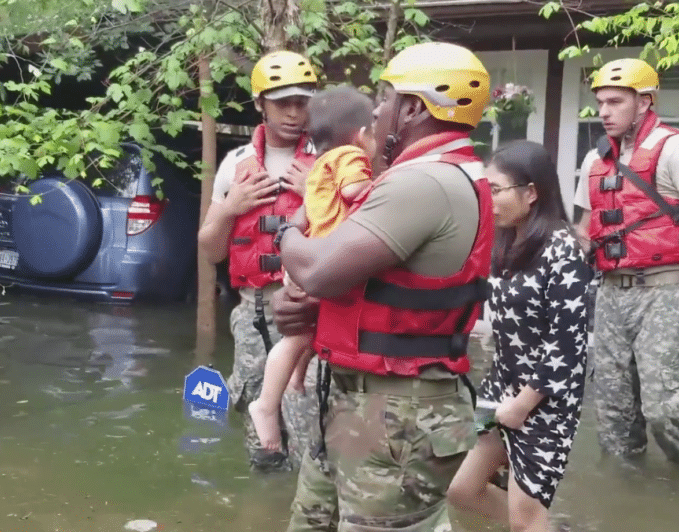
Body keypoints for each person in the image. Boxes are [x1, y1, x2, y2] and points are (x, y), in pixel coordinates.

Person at [270, 41, 493, 532]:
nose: (376, 110)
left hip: (396, 415)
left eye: (387, 97)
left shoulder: (424, 183)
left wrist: (287, 229)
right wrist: (312, 313)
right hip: (365, 402)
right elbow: (359, 285)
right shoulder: (427, 176)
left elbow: (319, 270)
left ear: (414, 108)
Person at [573, 58, 679, 474]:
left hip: (664, 290)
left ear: (645, 102)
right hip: (609, 293)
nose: (604, 111)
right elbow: (585, 229)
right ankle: (627, 498)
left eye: (615, 101)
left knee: (666, 410)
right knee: (613, 415)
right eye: (600, 102)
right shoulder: (593, 161)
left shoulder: (678, 150)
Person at [447, 141, 592, 532]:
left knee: (525, 517)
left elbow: (568, 344)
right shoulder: (507, 242)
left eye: (496, 190)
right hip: (502, 386)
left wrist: (525, 404)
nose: (488, 199)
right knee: (462, 490)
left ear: (531, 193)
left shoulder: (564, 249)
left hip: (544, 400)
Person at [196, 50, 320, 473]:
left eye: (302, 102)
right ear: (259, 104)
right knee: (261, 442)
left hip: (310, 313)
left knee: (311, 431)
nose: (293, 112)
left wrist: (317, 196)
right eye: (282, 102)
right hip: (252, 313)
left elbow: (359, 241)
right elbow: (210, 251)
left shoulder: (330, 160)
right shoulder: (235, 166)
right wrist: (230, 208)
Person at [248, 85, 376, 451]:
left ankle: (296, 380)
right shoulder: (352, 156)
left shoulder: (320, 163)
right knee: (297, 338)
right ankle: (266, 404)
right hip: (323, 258)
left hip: (307, 254)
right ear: (362, 135)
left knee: (308, 329)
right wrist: (383, 189)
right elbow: (355, 194)